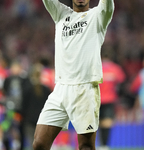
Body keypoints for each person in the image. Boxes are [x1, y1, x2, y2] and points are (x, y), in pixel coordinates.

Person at [33, 0, 115, 150]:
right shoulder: (61, 13)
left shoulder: (98, 15)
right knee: (39, 144)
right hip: (60, 89)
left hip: (85, 88)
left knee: (86, 146)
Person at [99, 51, 125, 150]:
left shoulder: (96, 67)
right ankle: (104, 145)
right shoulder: (115, 68)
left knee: (94, 123)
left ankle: (96, 144)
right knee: (107, 122)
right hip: (110, 99)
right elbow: (121, 83)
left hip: (96, 100)